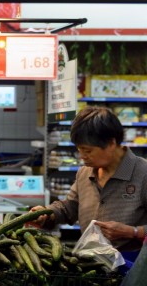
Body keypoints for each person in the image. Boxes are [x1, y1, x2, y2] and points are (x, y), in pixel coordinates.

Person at [30, 106, 147, 255]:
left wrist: (134, 232)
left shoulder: (143, 174)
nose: (82, 156)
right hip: (92, 263)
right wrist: (48, 213)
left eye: (88, 151)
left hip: (135, 266)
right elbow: (69, 207)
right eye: (79, 150)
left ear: (111, 143)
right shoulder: (84, 173)